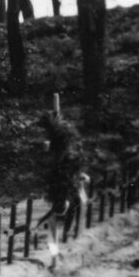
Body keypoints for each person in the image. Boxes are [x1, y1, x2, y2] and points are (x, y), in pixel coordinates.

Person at [38, 110, 88, 267]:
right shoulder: (62, 157)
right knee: (53, 232)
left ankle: (58, 254)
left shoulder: (66, 155)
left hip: (62, 190)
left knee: (54, 231)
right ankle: (55, 256)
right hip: (58, 191)